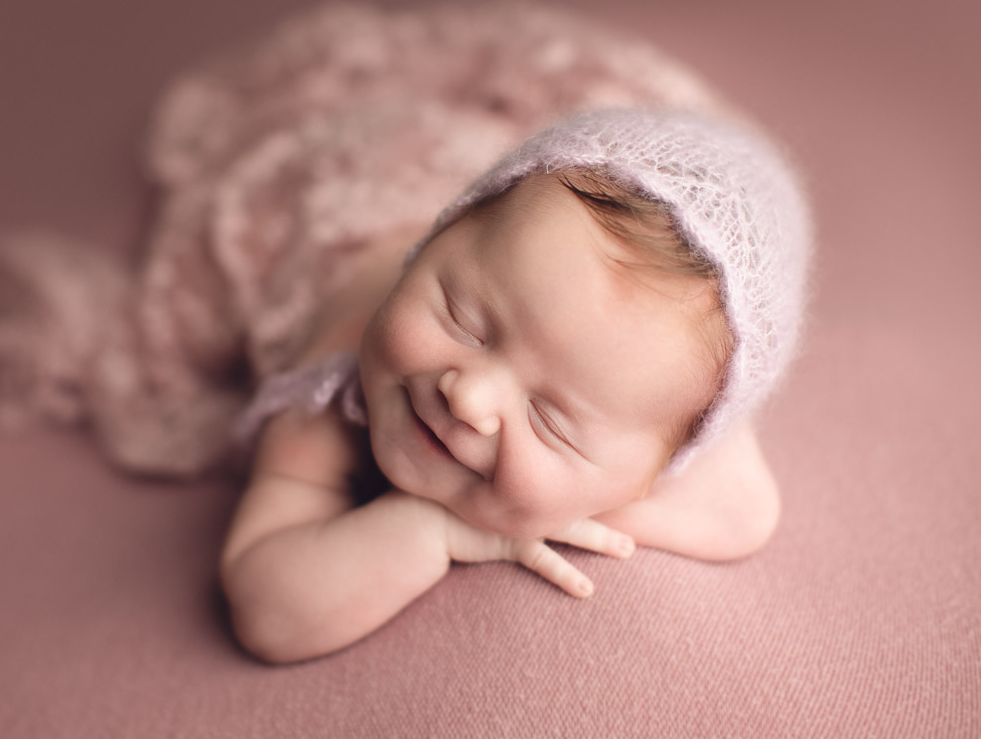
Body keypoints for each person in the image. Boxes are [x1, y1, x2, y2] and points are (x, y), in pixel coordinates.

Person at [219, 107, 812, 664]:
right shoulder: (324, 402)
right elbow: (266, 611)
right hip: (343, 217)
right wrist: (435, 527)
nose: (468, 399)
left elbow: (743, 514)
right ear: (430, 245)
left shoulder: (639, 407)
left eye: (550, 419)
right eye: (462, 320)